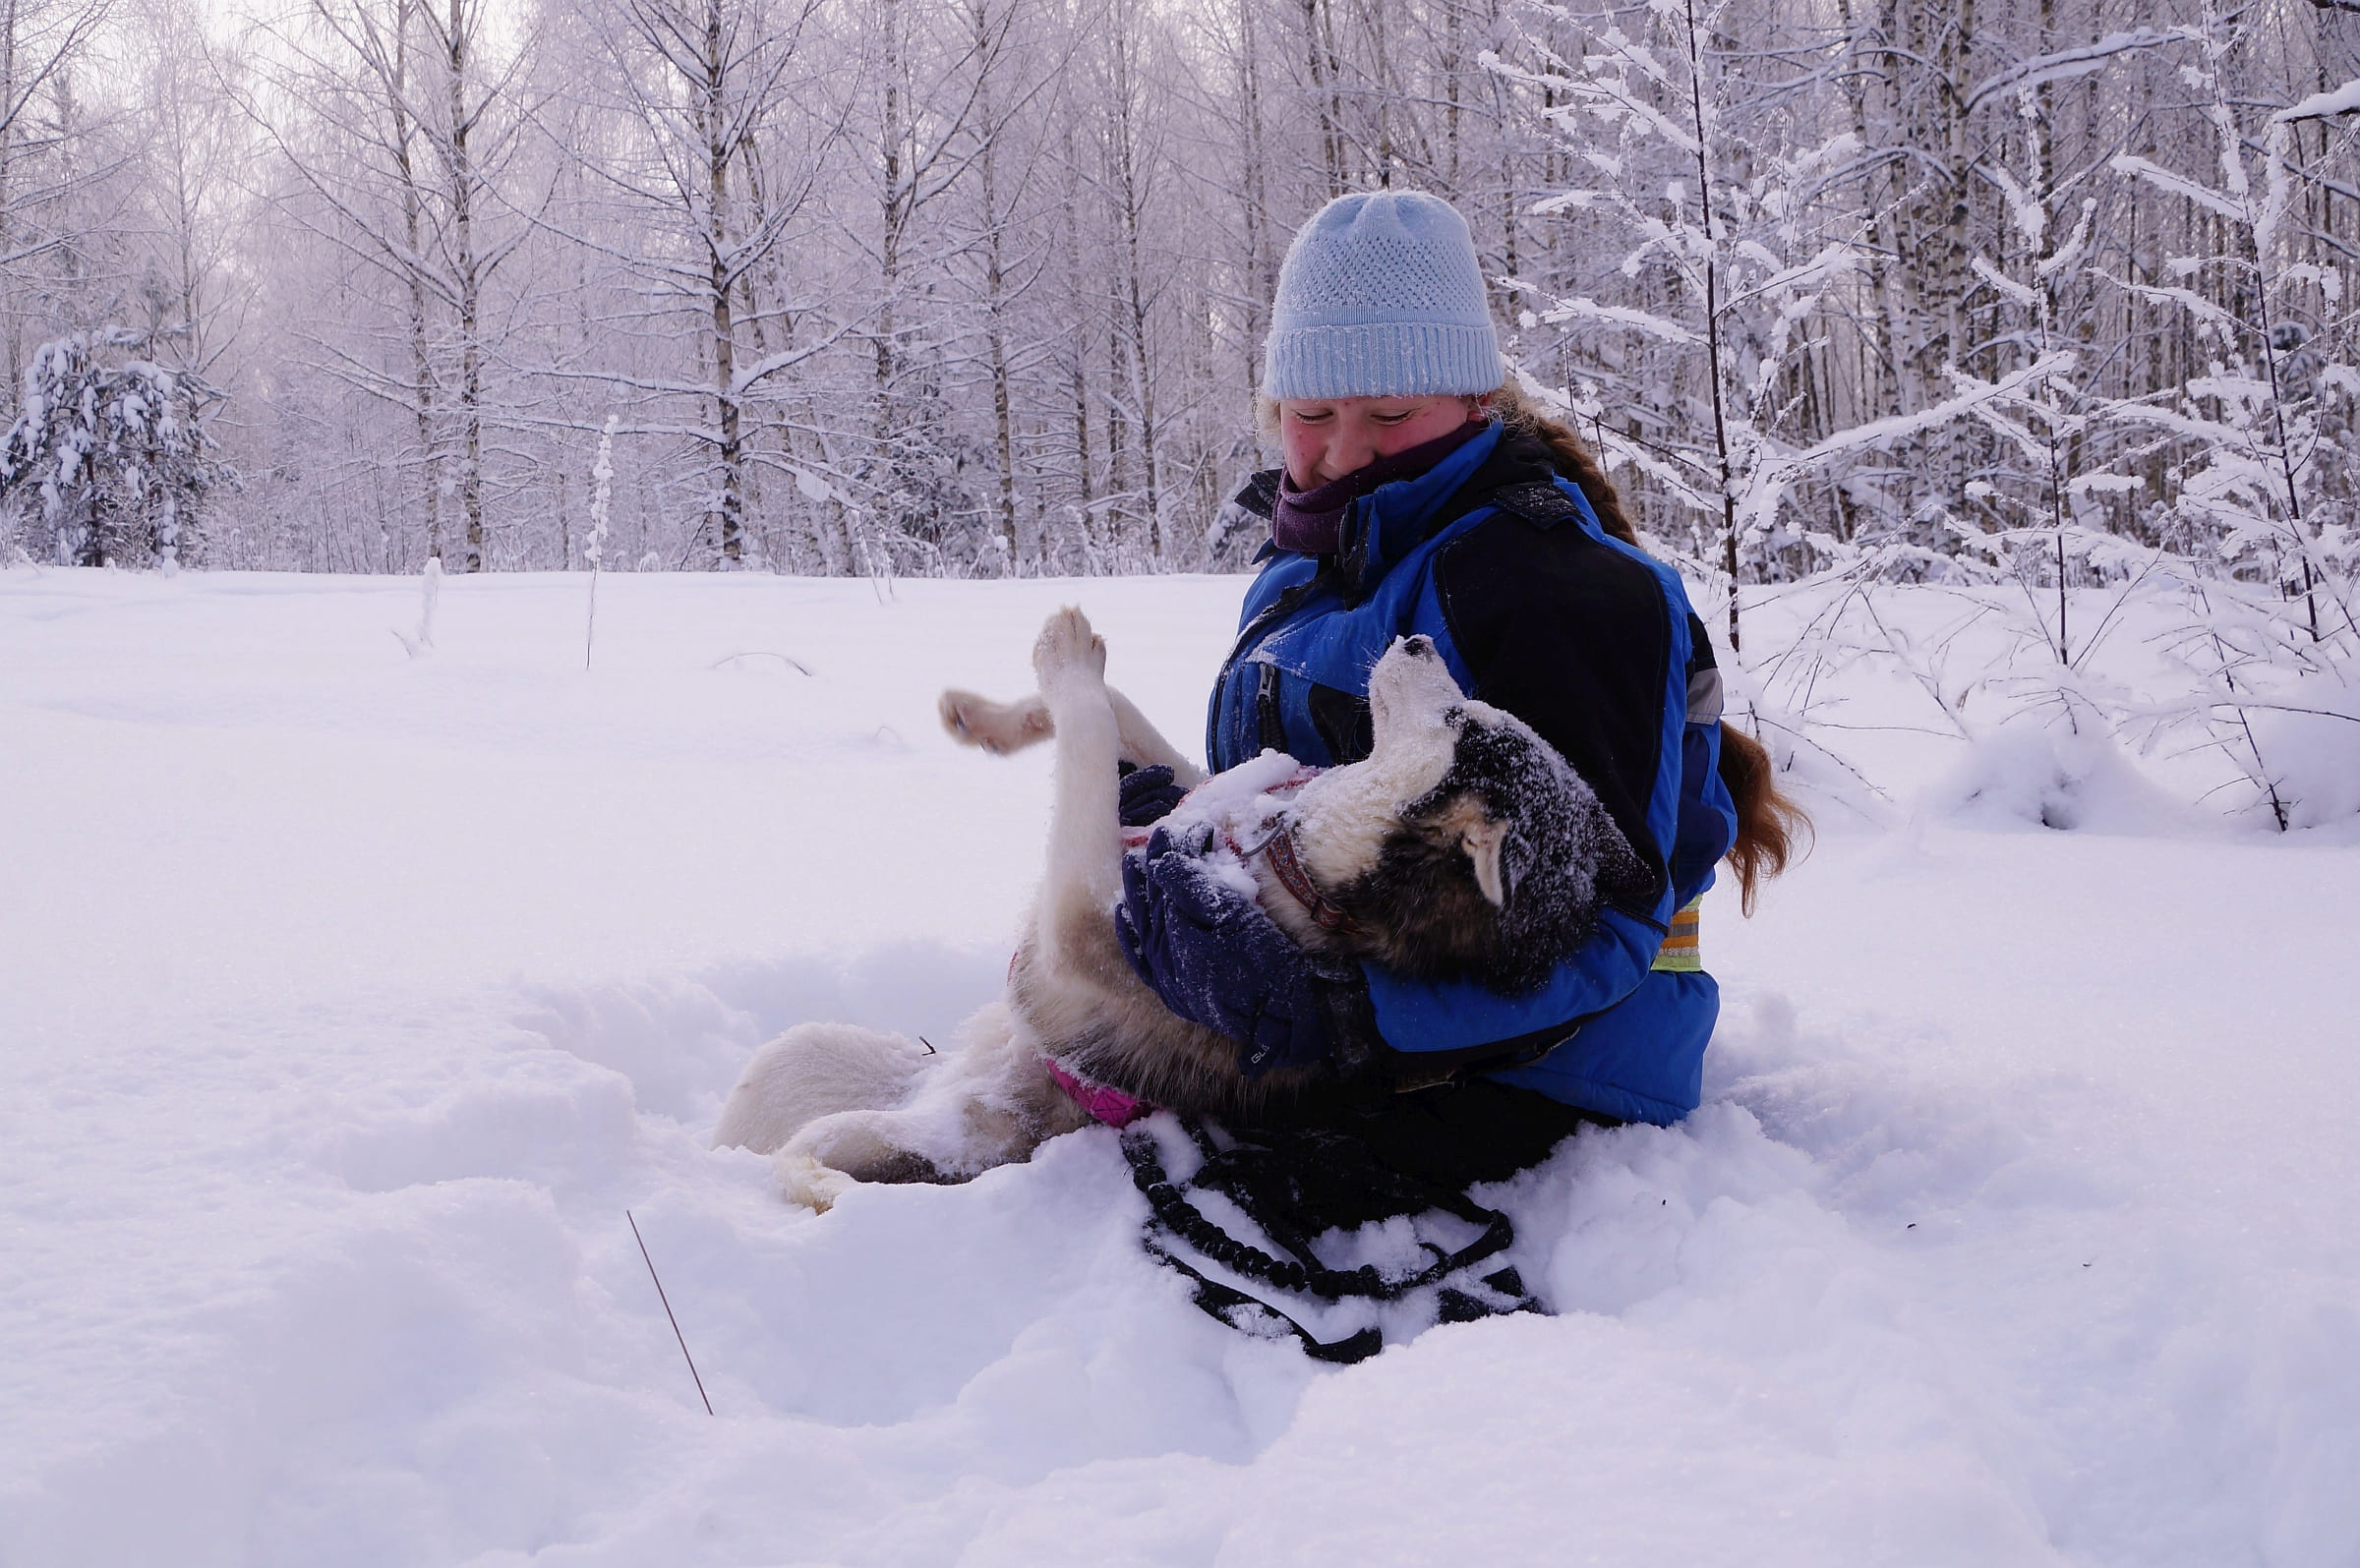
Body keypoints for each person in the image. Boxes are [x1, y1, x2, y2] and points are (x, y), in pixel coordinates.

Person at [1113, 190, 1800, 1188]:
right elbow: (1321, 807)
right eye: (1311, 414)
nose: (1343, 450)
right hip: (1351, 1060)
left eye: (1390, 413)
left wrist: (1343, 1012)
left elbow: (1604, 928)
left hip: (1549, 1092)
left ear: (1475, 399)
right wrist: (1186, 825)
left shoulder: (1555, 591)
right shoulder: (1302, 571)